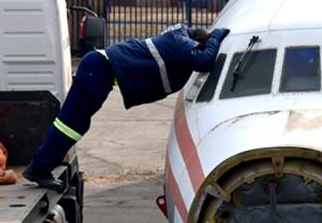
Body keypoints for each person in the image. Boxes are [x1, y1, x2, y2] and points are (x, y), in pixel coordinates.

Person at [23, 24, 230, 190]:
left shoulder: (178, 37)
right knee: (71, 124)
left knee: (73, 123)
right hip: (98, 69)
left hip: (98, 70)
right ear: (197, 40)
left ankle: (45, 162)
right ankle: (40, 168)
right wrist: (216, 37)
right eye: (201, 45)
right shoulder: (180, 40)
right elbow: (205, 61)